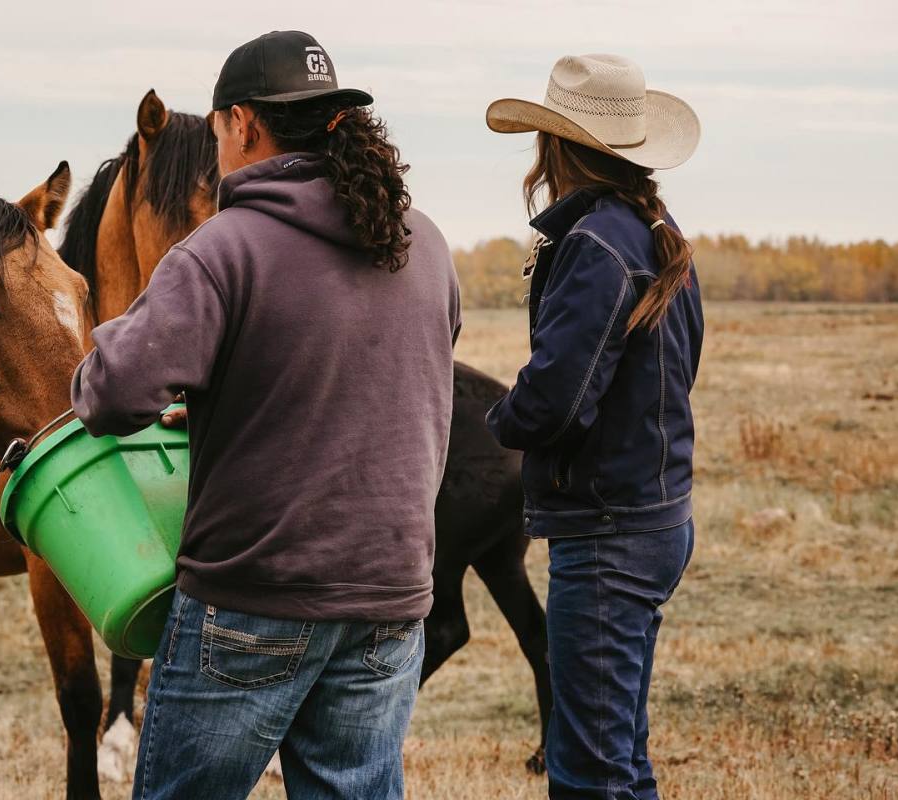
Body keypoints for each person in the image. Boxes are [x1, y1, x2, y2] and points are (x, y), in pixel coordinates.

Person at [71, 30, 460, 800]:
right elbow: (387, 380)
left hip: (256, 596)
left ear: (242, 124)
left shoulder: (221, 251)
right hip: (391, 598)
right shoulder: (428, 245)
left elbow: (107, 396)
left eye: (215, 130)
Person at [484, 55, 703, 799]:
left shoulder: (595, 244)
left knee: (587, 772)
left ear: (553, 145)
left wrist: (495, 421)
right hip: (656, 518)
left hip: (609, 534)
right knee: (619, 759)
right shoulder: (655, 227)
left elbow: (555, 399)